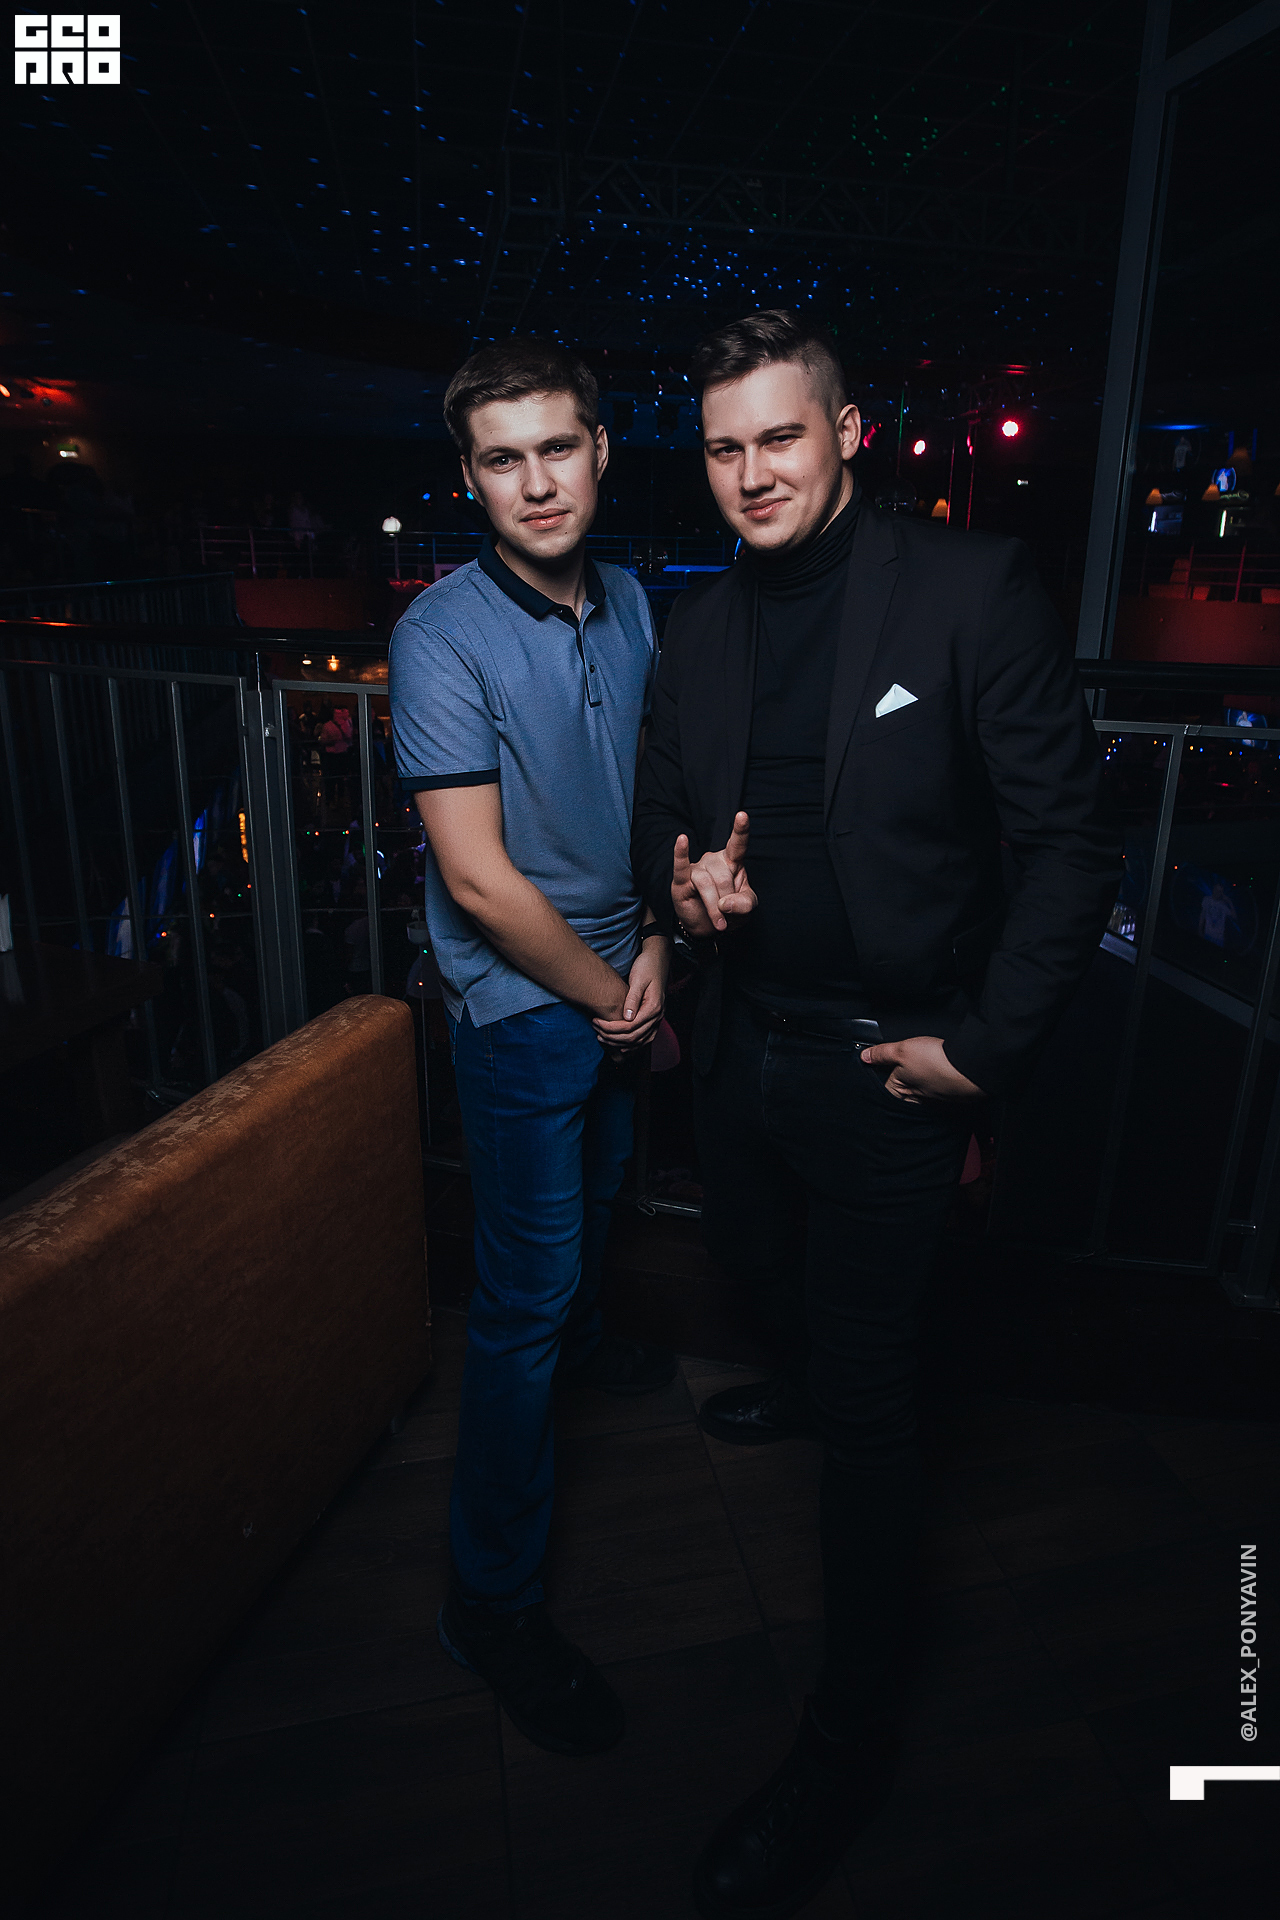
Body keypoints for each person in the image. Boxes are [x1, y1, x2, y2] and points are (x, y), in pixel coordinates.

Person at [630, 309, 1121, 1919]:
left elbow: (1071, 849)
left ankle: (843, 1749)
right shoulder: (699, 626)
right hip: (744, 1052)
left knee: (873, 1409)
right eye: (725, 446)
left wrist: (980, 1048)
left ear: (848, 433)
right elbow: (662, 815)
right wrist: (684, 893)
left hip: (888, 1071)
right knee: (767, 1282)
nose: (752, 472)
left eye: (781, 435)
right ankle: (818, 1374)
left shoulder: (969, 589)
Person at [389, 336, 676, 1762]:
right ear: (471, 478)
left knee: (603, 1198)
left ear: (601, 452)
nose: (538, 481)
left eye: (558, 448)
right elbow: (481, 882)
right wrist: (622, 996)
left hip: (624, 970)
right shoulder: (439, 634)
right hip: (521, 1006)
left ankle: (589, 1335)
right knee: (519, 1301)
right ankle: (488, 1603)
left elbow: (661, 803)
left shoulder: (633, 601)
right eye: (504, 459)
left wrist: (661, 941)